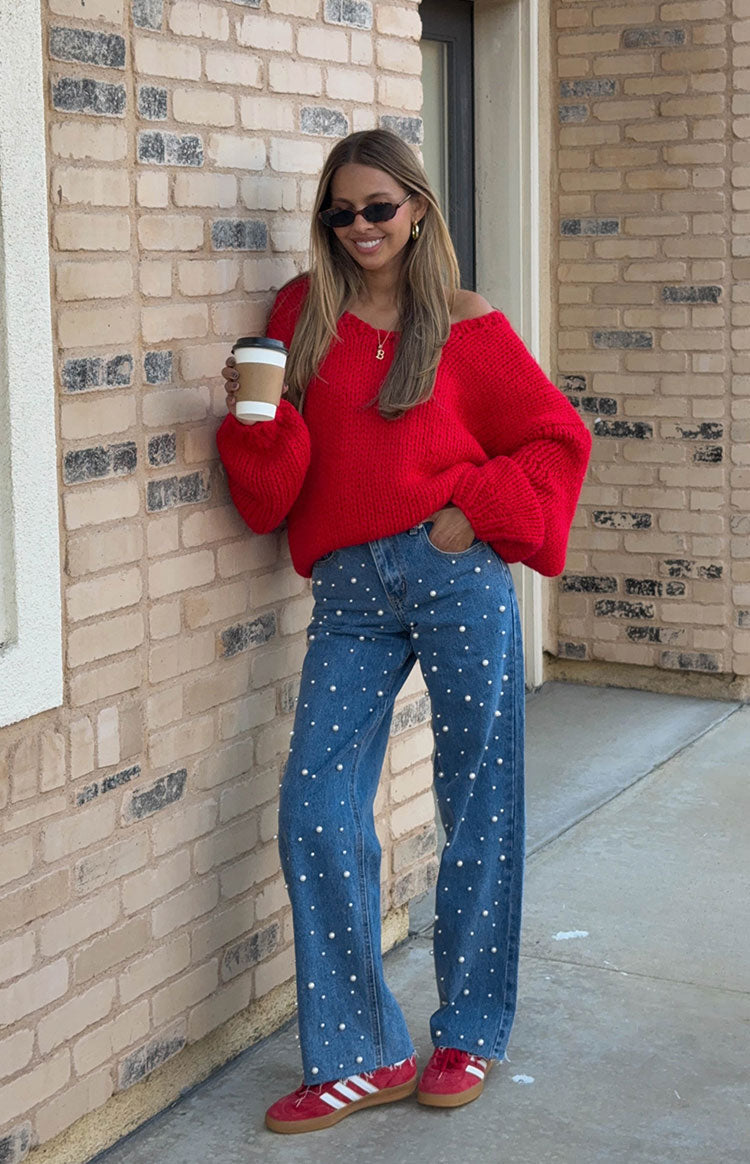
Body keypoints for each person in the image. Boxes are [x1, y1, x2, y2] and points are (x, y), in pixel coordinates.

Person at [216, 128, 591, 1134]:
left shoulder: (465, 327)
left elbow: (559, 437)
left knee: (478, 801)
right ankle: (360, 1053)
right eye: (340, 211)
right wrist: (255, 425)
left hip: (453, 573)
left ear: (417, 209)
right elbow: (278, 487)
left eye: (377, 207)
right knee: (314, 802)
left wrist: (480, 513)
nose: (359, 227)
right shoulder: (301, 314)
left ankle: (468, 1027)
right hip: (348, 588)